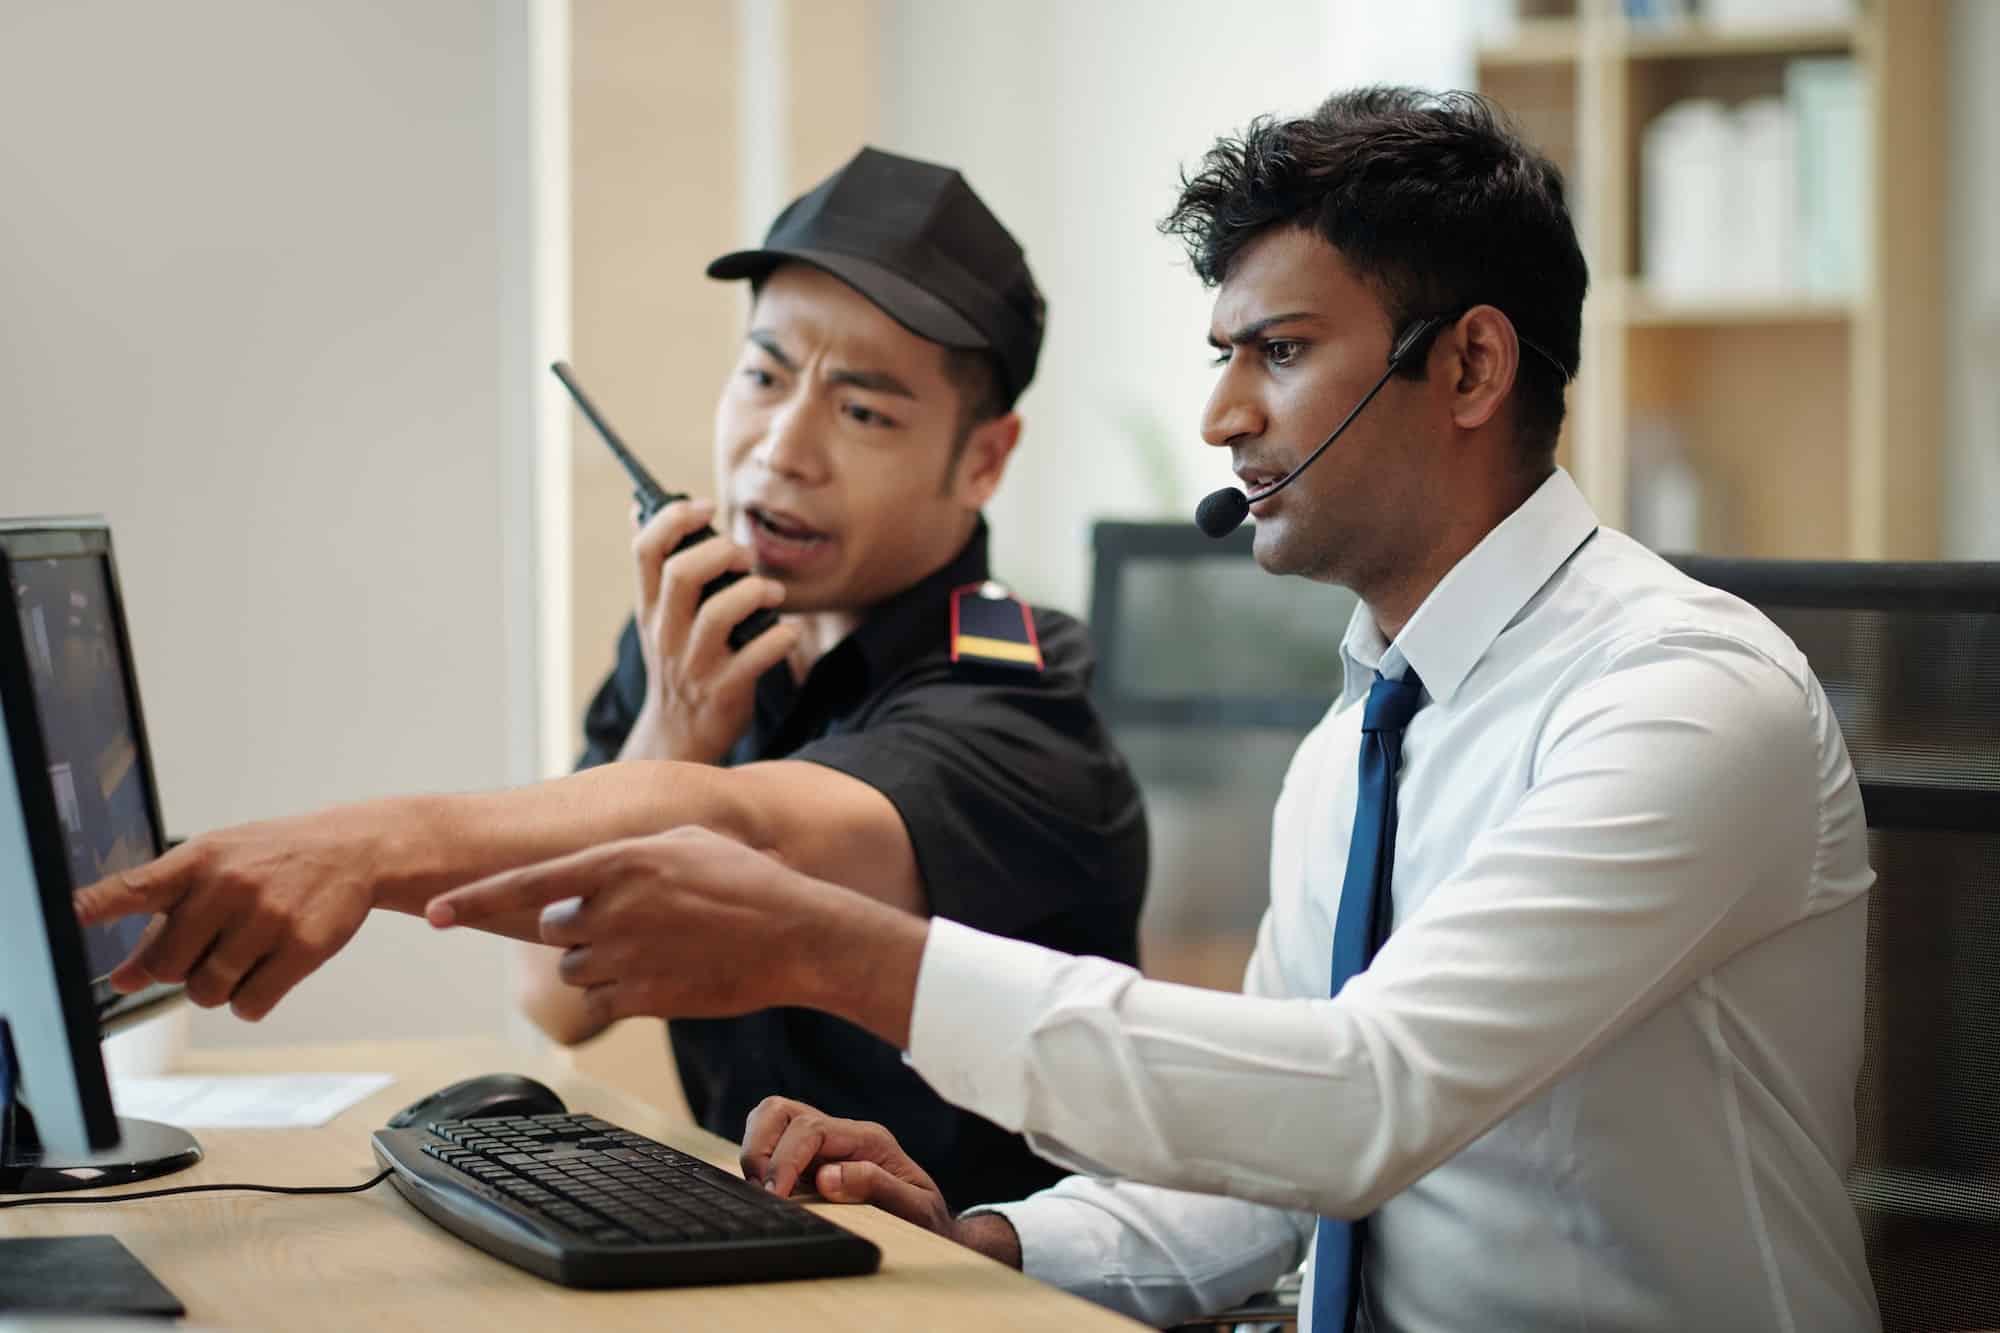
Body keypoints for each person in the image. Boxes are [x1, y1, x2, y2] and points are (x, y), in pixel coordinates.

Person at [415, 89, 1880, 1332]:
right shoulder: (1363, 735)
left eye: (1283, 353)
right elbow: (1274, 1164)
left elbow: (1360, 1101)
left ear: (1473, 367)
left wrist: (828, 947)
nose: (1223, 417)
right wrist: (993, 1237)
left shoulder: (1683, 704)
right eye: (1221, 356)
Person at [76, 147, 1149, 1212]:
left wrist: (362, 846)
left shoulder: (1017, 682)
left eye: (862, 412)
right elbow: (555, 995)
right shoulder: (697, 635)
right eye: (763, 375)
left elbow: (748, 836)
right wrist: (670, 729)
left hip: (986, 1283)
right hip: (768, 1251)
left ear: (983, 459)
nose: (781, 448)